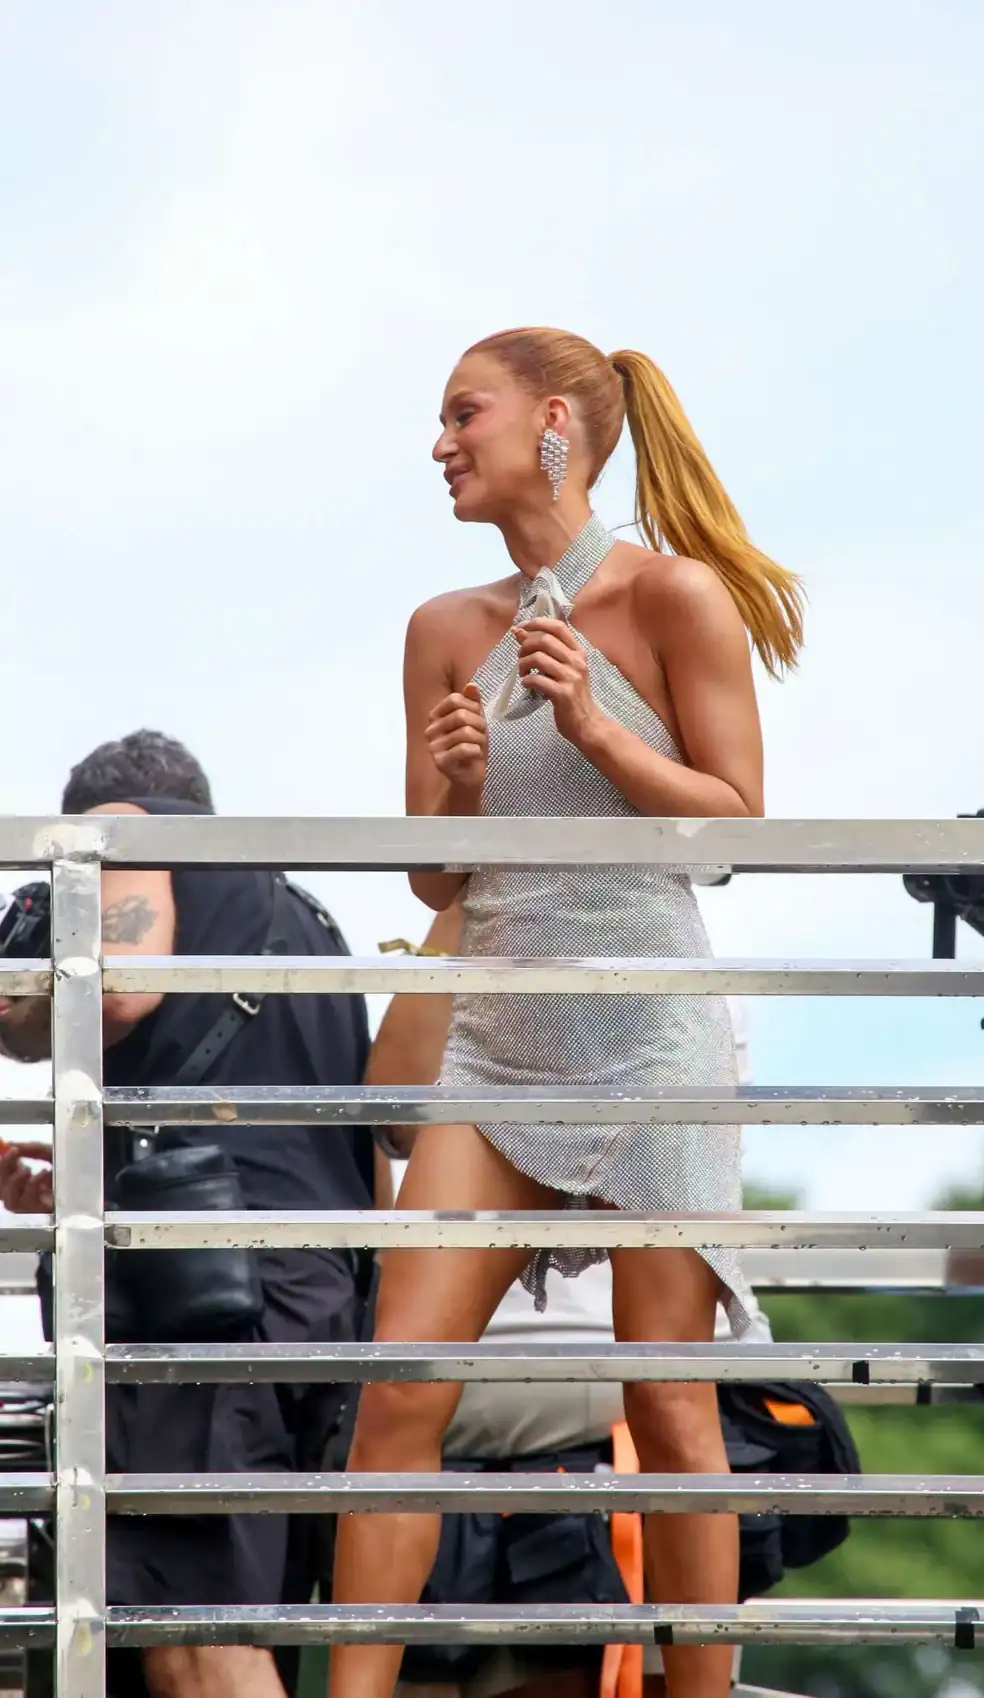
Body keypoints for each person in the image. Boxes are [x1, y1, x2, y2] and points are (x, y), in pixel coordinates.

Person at [331, 328, 803, 1698]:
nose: (438, 445)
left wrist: (596, 729)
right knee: (400, 1390)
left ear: (551, 422)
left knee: (669, 1400)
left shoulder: (675, 595)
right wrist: (459, 783)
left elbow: (734, 831)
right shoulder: (442, 628)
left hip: (651, 1034)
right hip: (499, 1040)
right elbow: (438, 876)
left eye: (460, 415)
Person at [0, 730, 377, 1698]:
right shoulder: (305, 920)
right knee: (238, 1625)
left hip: (204, 1298)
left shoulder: (123, 832)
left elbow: (120, 991)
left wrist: (19, 981)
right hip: (309, 1298)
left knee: (194, 1640)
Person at [366, 905, 786, 1698]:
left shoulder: (674, 974)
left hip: (602, 1432)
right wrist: (465, 907)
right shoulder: (476, 943)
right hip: (460, 1443)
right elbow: (394, 1112)